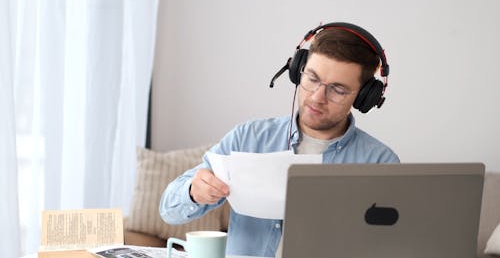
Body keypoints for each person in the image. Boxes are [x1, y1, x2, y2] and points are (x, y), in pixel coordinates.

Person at [159, 22, 400, 257]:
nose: (317, 97)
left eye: (337, 89)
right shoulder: (249, 137)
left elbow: (395, 243)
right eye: (312, 78)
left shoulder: (380, 162)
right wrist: (194, 191)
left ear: (364, 98)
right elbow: (169, 210)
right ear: (297, 72)